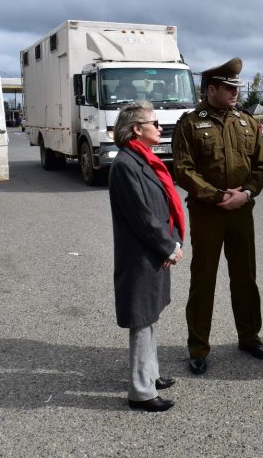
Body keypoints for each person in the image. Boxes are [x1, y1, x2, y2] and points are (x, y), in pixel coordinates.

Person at [172, 57, 263, 375]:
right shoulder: (189, 124)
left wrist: (247, 194)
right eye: (229, 88)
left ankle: (249, 337)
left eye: (237, 88)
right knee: (204, 280)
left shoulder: (246, 122)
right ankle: (198, 347)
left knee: (245, 277)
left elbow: (262, 165)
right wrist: (217, 197)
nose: (235, 93)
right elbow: (183, 170)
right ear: (211, 89)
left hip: (242, 210)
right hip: (207, 213)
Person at [109, 101, 185, 412]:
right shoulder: (126, 165)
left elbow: (164, 207)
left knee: (150, 316)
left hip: (152, 253)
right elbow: (143, 218)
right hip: (141, 256)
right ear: (137, 129)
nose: (160, 127)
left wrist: (172, 243)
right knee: (142, 321)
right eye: (154, 123)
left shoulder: (145, 160)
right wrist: (168, 247)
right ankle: (140, 392)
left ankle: (150, 375)